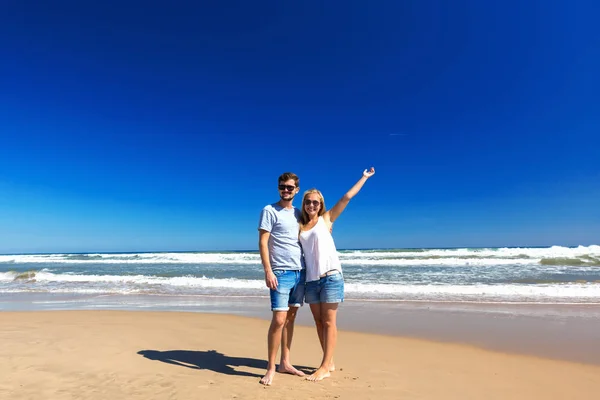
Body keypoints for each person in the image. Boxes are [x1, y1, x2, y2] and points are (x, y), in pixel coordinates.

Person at [299, 167, 375, 381]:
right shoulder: (300, 225)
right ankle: (329, 361)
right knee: (318, 322)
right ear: (304, 204)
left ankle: (324, 366)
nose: (312, 205)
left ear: (321, 204)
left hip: (331, 276)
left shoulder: (327, 219)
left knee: (330, 322)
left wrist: (364, 177)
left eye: (315, 202)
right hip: (311, 280)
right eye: (308, 202)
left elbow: (346, 197)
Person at [258, 172, 306, 386]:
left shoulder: (299, 213)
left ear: (296, 190)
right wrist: (268, 270)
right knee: (278, 320)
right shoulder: (269, 210)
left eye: (289, 187)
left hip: (300, 272)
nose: (285, 190)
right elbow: (263, 242)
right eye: (282, 187)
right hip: (280, 273)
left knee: (290, 319)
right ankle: (270, 367)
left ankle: (285, 363)